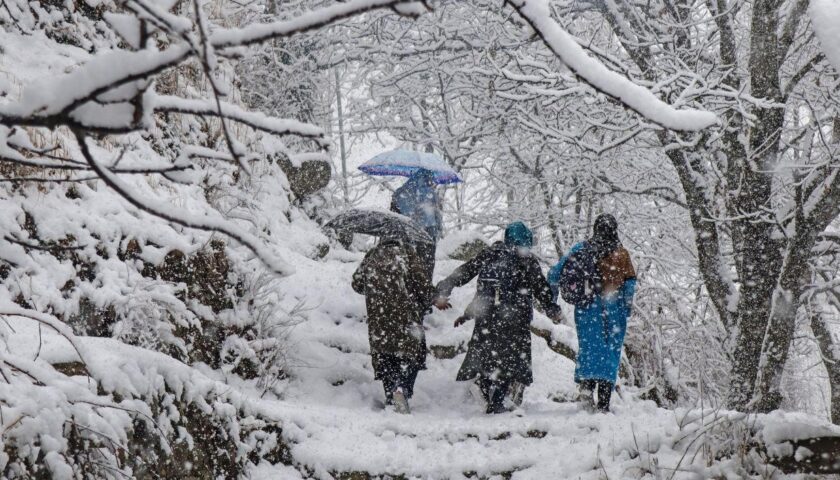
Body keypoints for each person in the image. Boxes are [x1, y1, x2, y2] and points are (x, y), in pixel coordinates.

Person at [434, 222, 563, 414]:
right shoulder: (526, 261)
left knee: (488, 357)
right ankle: (497, 402)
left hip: (486, 316)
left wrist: (444, 289)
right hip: (515, 319)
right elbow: (541, 289)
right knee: (510, 361)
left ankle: (485, 390)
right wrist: (552, 309)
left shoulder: (490, 254)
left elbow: (464, 272)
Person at [549, 214, 636, 413]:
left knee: (588, 351)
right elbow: (630, 285)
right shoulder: (621, 255)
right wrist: (626, 308)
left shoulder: (580, 249)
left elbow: (554, 273)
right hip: (613, 312)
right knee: (609, 355)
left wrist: (552, 301)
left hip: (587, 310)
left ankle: (586, 393)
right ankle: (603, 405)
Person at [352, 237, 436, 414]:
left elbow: (357, 284)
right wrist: (429, 299)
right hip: (406, 318)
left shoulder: (372, 255)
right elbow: (423, 286)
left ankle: (391, 398)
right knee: (414, 355)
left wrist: (377, 290)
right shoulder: (407, 254)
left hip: (379, 319)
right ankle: (402, 388)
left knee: (385, 358)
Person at [391, 168, 443, 283]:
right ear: (427, 178)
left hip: (408, 234)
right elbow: (437, 216)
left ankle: (410, 290)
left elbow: (394, 214)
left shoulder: (401, 192)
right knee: (426, 266)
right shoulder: (431, 193)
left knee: (410, 264)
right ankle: (425, 290)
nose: (432, 181)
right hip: (428, 234)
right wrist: (439, 229)